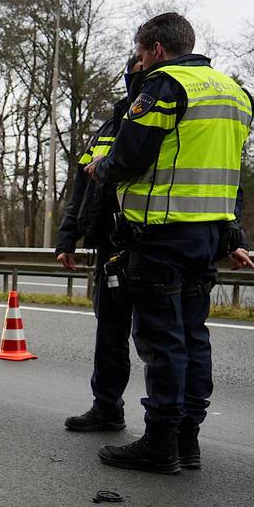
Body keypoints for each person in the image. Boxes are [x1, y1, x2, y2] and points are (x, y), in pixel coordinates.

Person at [85, 13, 254, 473]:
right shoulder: (235, 92)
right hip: (209, 235)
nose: (139, 62)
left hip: (160, 234)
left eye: (141, 53)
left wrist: (100, 168)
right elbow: (230, 172)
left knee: (163, 341)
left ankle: (160, 443)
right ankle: (188, 440)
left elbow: (129, 156)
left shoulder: (164, 86)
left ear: (156, 49)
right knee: (195, 336)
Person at [55, 56, 144, 432]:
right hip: (108, 246)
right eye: (137, 69)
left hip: (150, 242)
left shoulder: (171, 119)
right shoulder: (109, 126)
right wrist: (68, 236)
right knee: (109, 334)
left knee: (160, 339)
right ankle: (107, 408)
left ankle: (175, 427)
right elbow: (83, 188)